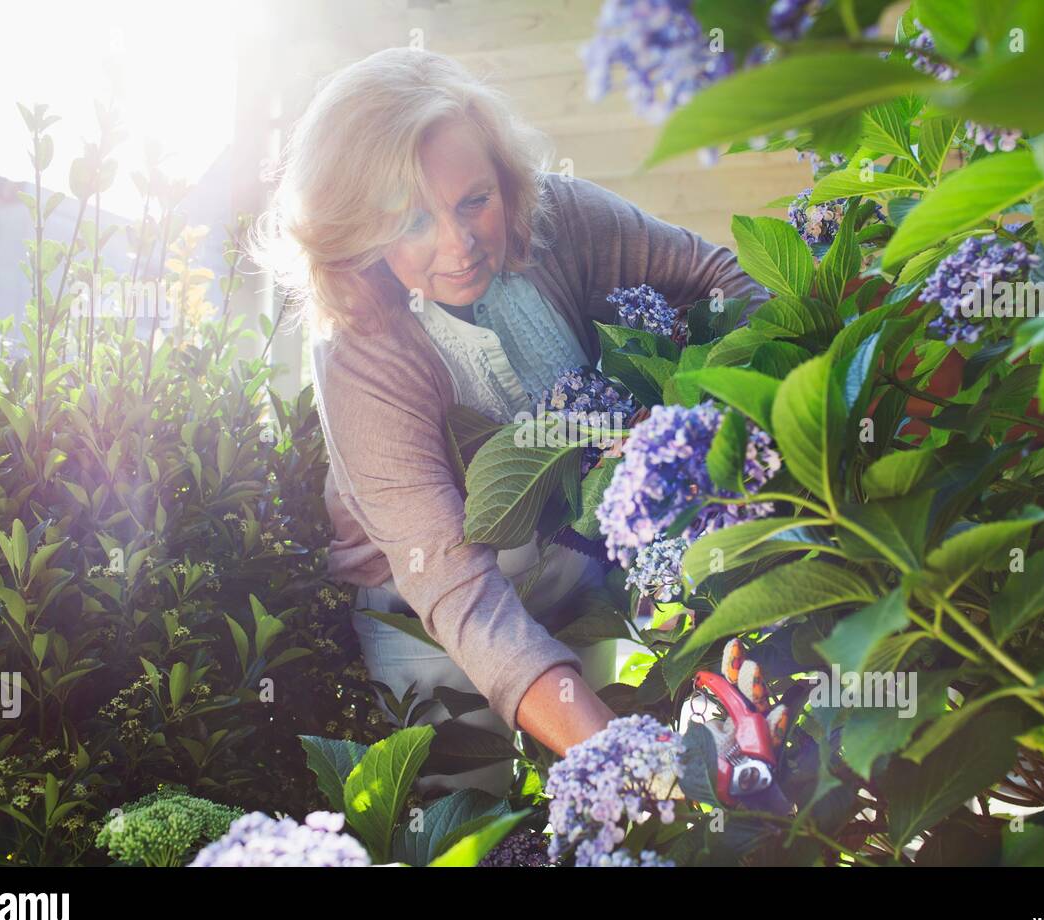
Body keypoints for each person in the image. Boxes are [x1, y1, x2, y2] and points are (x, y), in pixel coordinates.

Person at [252, 47, 768, 796]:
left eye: (475, 201)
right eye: (413, 221)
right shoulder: (360, 351)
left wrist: (695, 416)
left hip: (580, 564)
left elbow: (726, 282)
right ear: (360, 228)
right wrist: (633, 769)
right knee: (491, 813)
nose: (459, 246)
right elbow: (460, 594)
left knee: (651, 788)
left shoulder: (565, 220)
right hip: (432, 620)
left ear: (506, 182)